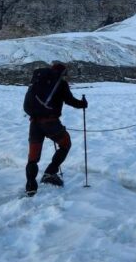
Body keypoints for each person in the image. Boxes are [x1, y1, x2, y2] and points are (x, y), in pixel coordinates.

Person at [22, 61, 87, 196]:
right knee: (65, 144)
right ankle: (50, 172)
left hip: (34, 123)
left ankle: (30, 187)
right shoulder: (60, 83)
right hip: (51, 123)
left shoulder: (37, 81)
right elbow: (70, 101)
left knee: (33, 156)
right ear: (62, 73)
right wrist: (83, 104)